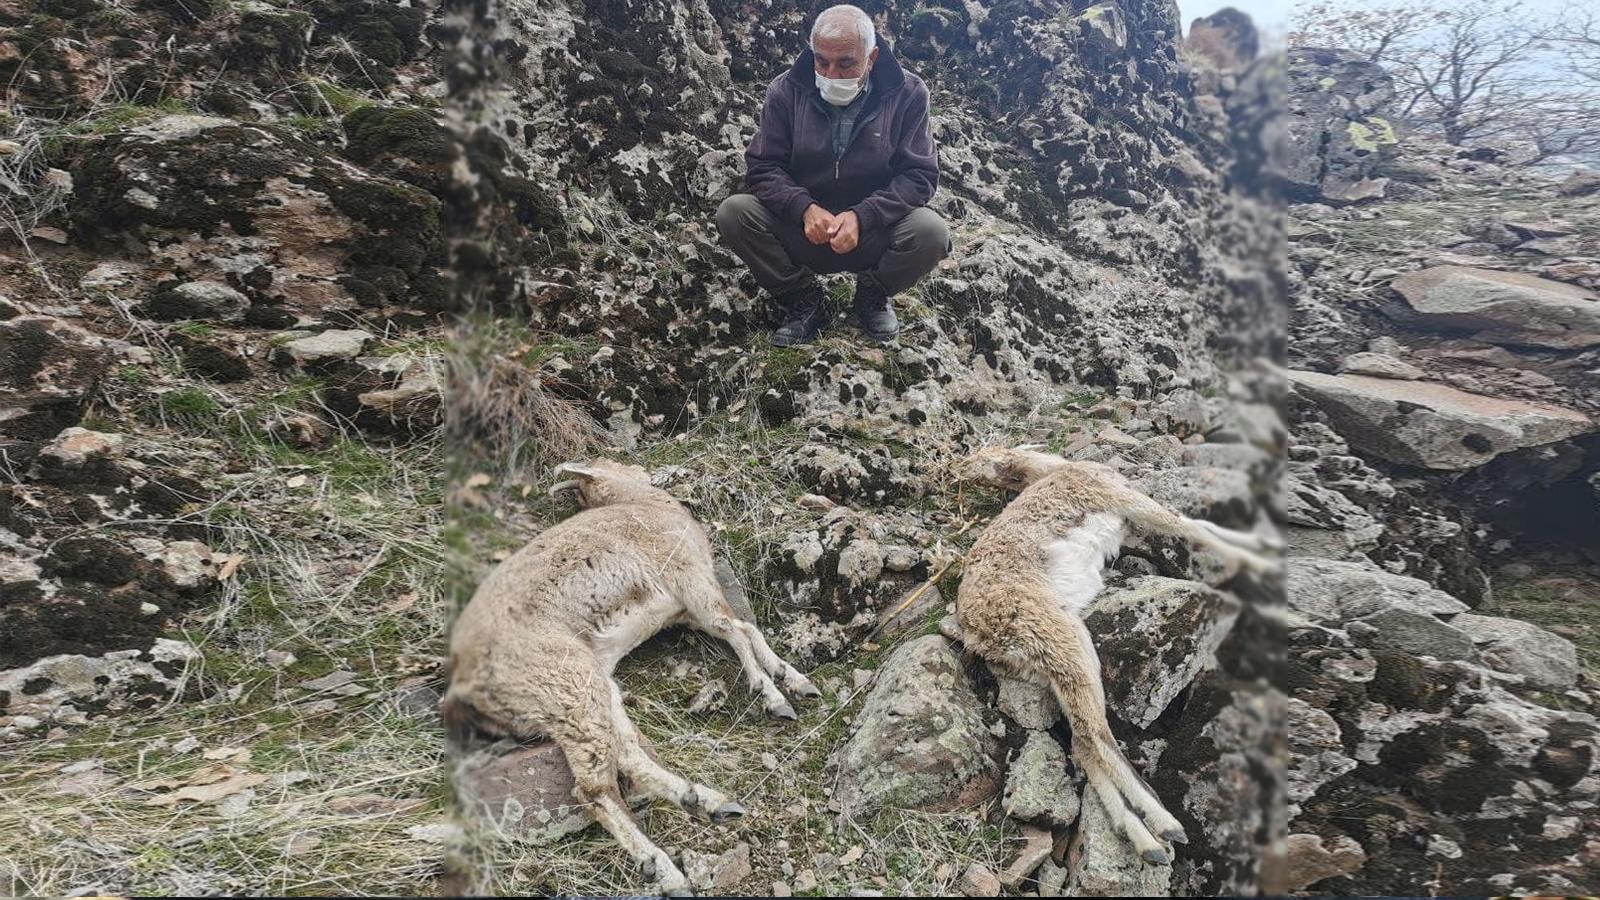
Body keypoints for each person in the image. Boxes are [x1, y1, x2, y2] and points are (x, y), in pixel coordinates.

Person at [716, 4, 951, 346]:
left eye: (846, 63)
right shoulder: (786, 90)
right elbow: (764, 167)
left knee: (931, 232)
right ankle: (803, 298)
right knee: (734, 213)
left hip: (872, 233)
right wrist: (803, 208)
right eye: (821, 61)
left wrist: (863, 216)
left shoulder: (908, 94)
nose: (831, 74)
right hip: (805, 231)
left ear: (870, 59)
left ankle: (872, 294)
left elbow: (919, 176)